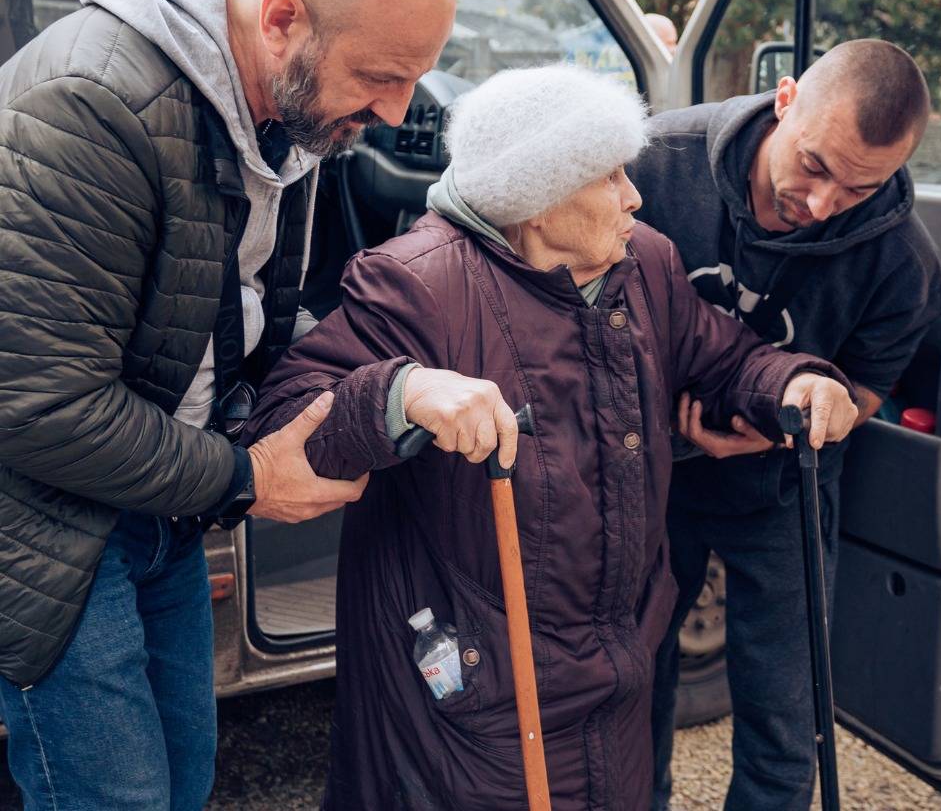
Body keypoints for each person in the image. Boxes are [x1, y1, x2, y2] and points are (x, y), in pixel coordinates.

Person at [244, 64, 860, 811]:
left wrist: (793, 383)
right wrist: (403, 393)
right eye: (608, 177)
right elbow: (285, 429)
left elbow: (725, 356)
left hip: (615, 669)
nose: (634, 195)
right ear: (534, 198)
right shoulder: (417, 283)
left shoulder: (645, 263)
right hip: (477, 698)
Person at [0, 0, 464, 810]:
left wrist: (395, 382)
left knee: (185, 783)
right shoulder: (94, 105)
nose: (393, 110)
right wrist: (250, 479)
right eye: (381, 76)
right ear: (282, 17)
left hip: (158, 510)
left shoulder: (279, 119)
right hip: (49, 528)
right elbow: (36, 406)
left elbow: (248, 318)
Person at [633, 39, 941, 811]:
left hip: (784, 489)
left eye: (857, 188)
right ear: (784, 99)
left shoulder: (905, 264)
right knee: (634, 680)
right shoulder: (655, 161)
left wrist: (774, 433)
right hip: (649, 466)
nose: (821, 204)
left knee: (783, 716)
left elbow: (871, 389)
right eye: (813, 165)